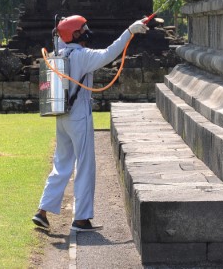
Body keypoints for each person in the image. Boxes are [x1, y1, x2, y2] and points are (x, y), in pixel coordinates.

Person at [32, 15, 148, 232]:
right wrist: (129, 32)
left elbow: (61, 38)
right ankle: (82, 219)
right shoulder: (81, 56)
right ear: (75, 34)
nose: (87, 30)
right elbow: (110, 53)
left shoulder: (58, 52)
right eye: (83, 28)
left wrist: (62, 27)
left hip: (62, 114)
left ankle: (42, 211)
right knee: (85, 165)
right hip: (79, 114)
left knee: (62, 163)